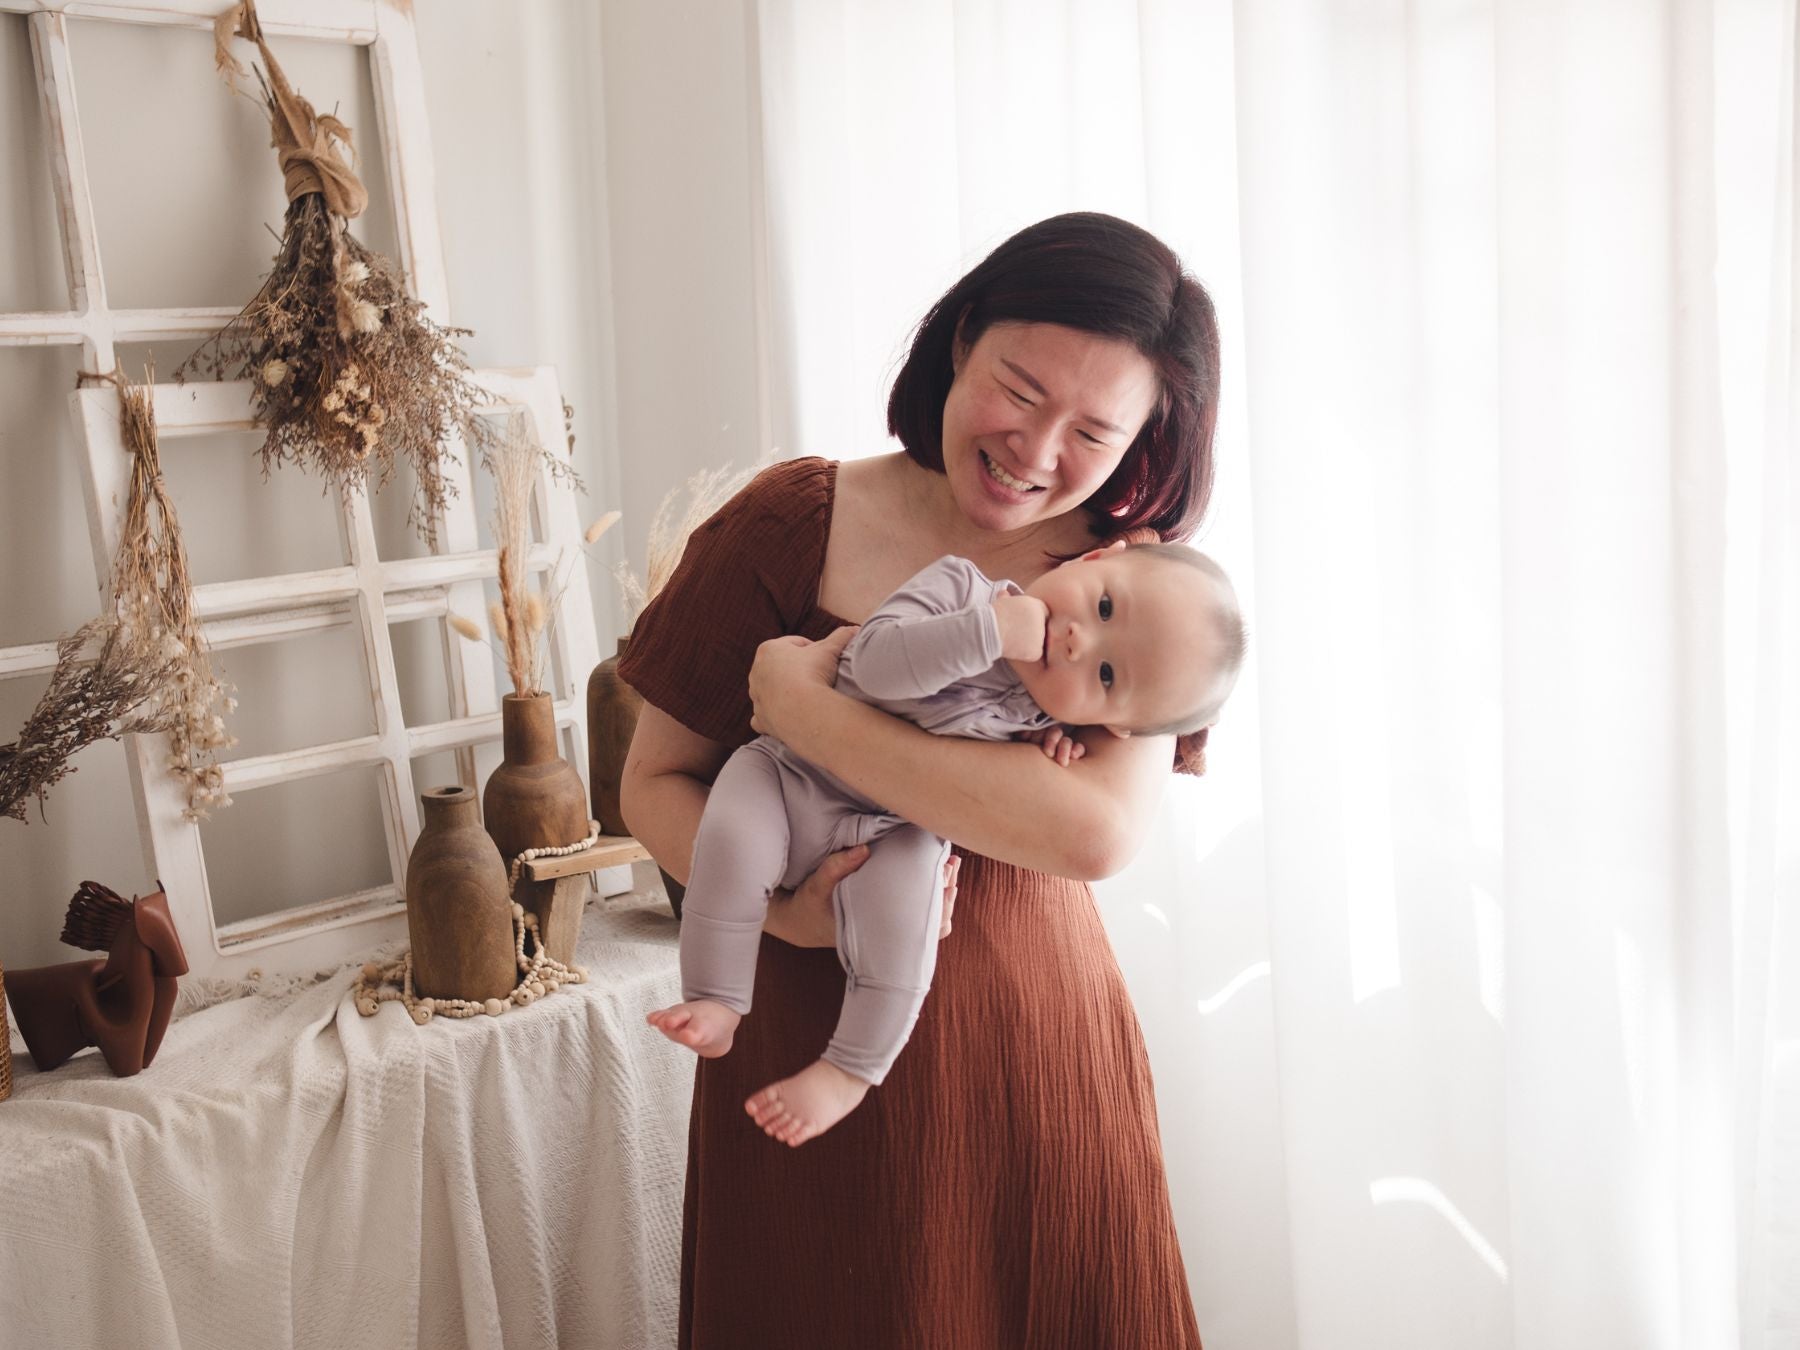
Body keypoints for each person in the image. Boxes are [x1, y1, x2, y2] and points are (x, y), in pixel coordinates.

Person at [619, 210, 1220, 1349]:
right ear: (962, 338)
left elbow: (1093, 834)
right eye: (1020, 391)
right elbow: (653, 783)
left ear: (1142, 441)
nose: (1036, 452)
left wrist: (811, 712)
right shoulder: (790, 524)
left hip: (1040, 1066)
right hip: (812, 1055)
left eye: (1093, 433)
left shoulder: (1129, 589)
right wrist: (783, 917)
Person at [647, 543, 1243, 1147]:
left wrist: (1050, 747)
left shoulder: (1044, 721)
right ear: (1091, 560)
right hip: (787, 775)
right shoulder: (961, 589)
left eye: (1106, 675)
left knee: (908, 923)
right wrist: (990, 631)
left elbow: (1043, 813)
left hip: (894, 828)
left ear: (1114, 727)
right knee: (731, 840)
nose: (1078, 642)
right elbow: (875, 666)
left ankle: (850, 1069)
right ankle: (717, 997)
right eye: (1105, 606)